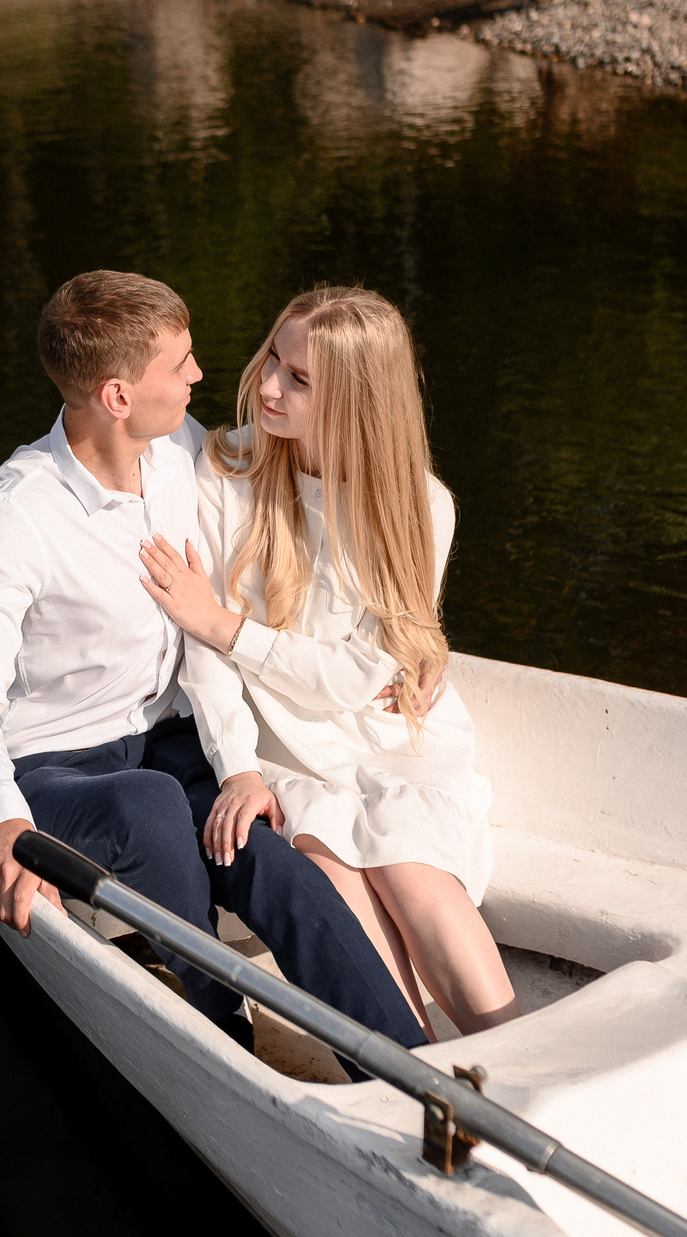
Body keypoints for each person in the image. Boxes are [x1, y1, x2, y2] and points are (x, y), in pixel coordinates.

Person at [0, 270, 428, 1054]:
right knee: (152, 810)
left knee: (277, 865)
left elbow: (313, 496)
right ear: (119, 396)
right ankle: (219, 1031)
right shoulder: (16, 513)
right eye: (181, 364)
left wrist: (399, 645)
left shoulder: (182, 455)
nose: (201, 376)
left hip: (165, 742)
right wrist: (3, 823)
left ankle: (415, 1071)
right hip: (54, 767)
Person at [140, 285, 518, 1038]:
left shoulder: (420, 504)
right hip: (277, 744)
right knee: (336, 875)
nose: (270, 385)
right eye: (274, 358)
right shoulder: (226, 471)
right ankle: (426, 1083)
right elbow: (200, 656)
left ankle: (521, 1066)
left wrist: (225, 624)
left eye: (301, 379)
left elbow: (356, 675)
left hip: (387, 738)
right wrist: (239, 768)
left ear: (358, 401)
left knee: (413, 867)